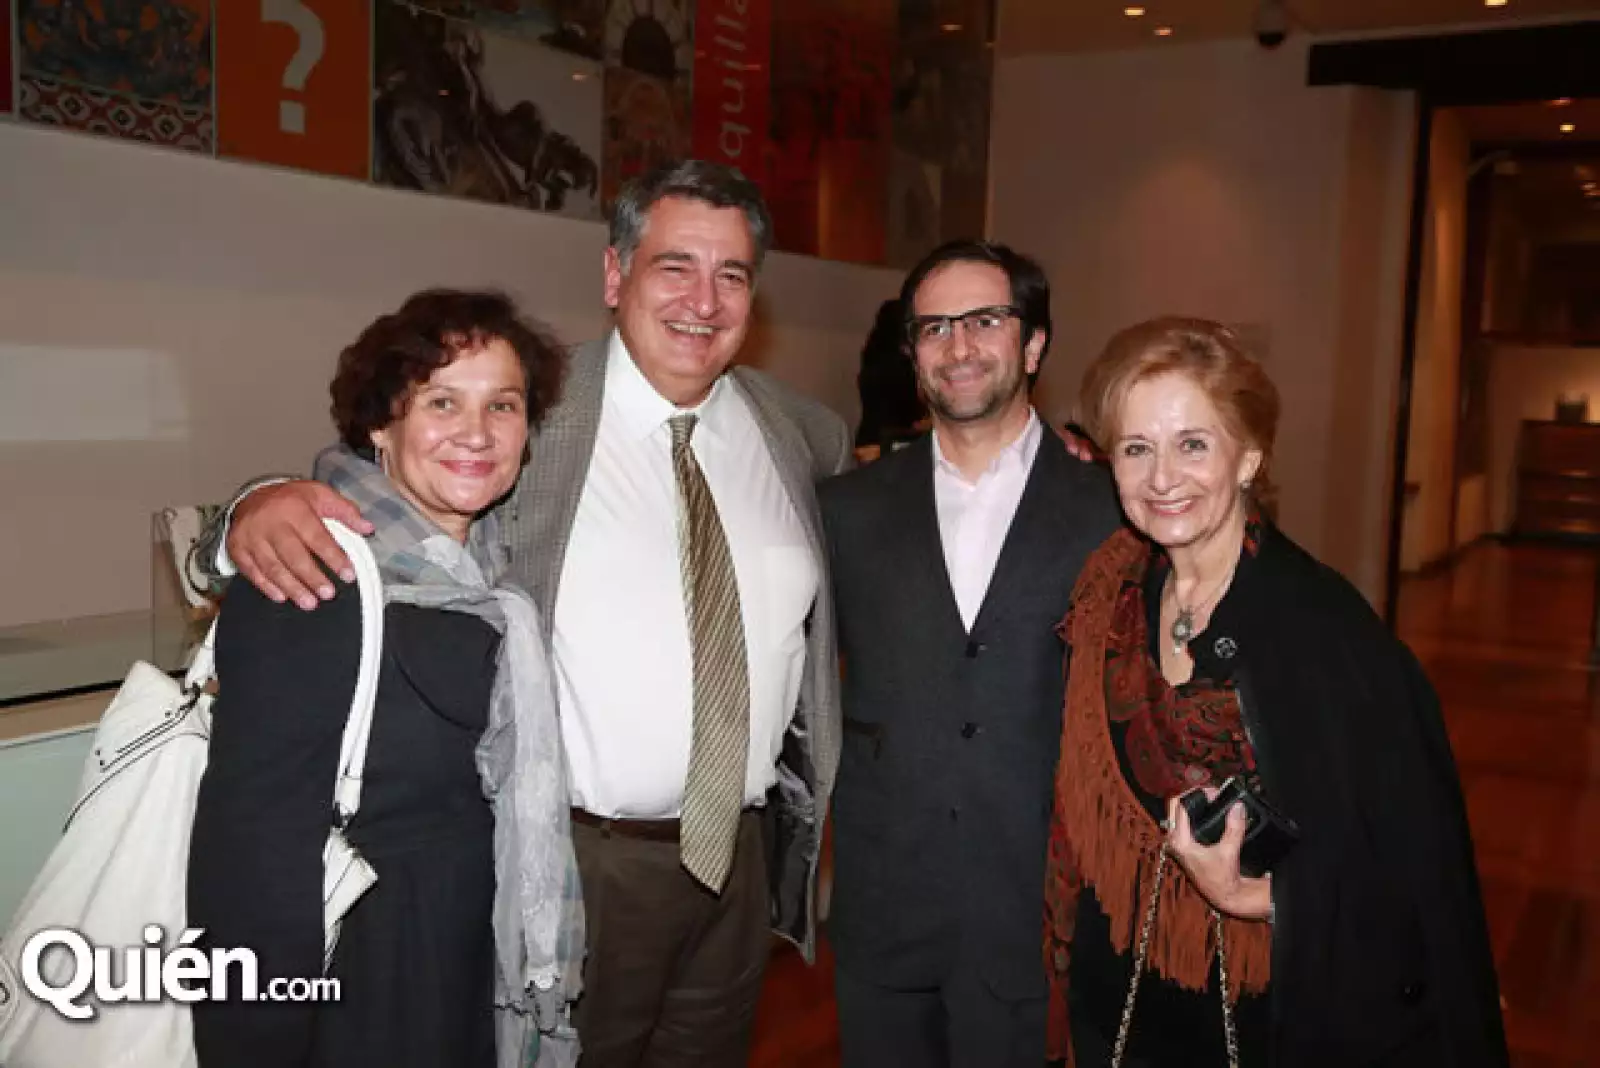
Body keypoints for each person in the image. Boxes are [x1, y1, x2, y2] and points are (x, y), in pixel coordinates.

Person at [198, 160, 853, 1068]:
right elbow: (373, 483)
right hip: (578, 863)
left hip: (738, 863)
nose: (703, 300)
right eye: (673, 266)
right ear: (616, 274)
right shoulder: (532, 410)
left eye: (731, 274)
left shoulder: (803, 435)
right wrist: (253, 506)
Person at [1045, 317, 1509, 1067]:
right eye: (1137, 448)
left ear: (1250, 457)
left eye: (1193, 444)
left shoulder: (1329, 637)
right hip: (1117, 996)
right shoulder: (1113, 596)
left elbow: (1415, 872)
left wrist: (1265, 898)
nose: (1162, 478)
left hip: (1268, 1013)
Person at [188, 289, 583, 1068]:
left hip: (473, 969)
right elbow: (250, 871)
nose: (476, 432)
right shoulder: (315, 579)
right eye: (442, 401)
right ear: (381, 424)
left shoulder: (497, 585)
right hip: (362, 985)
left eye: (502, 406)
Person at [818, 240, 1123, 1067]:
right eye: (935, 327)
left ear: (1033, 344)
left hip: (1039, 911)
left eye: (985, 320)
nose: (958, 346)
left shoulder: (1112, 511)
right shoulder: (845, 510)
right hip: (887, 903)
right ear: (912, 355)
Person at [853, 297, 927, 460]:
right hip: (894, 442)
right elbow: (910, 412)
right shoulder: (901, 364)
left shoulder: (873, 355)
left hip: (869, 437)